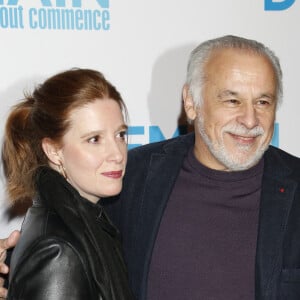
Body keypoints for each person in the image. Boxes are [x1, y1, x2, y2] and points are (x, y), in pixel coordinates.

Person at [1, 35, 300, 299]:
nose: (250, 120)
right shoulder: (135, 177)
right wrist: (12, 265)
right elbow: (71, 242)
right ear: (191, 103)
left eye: (263, 102)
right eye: (232, 100)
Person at [0, 68, 134, 299]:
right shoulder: (59, 251)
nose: (117, 154)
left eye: (120, 135)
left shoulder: (82, 221)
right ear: (53, 151)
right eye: (94, 139)